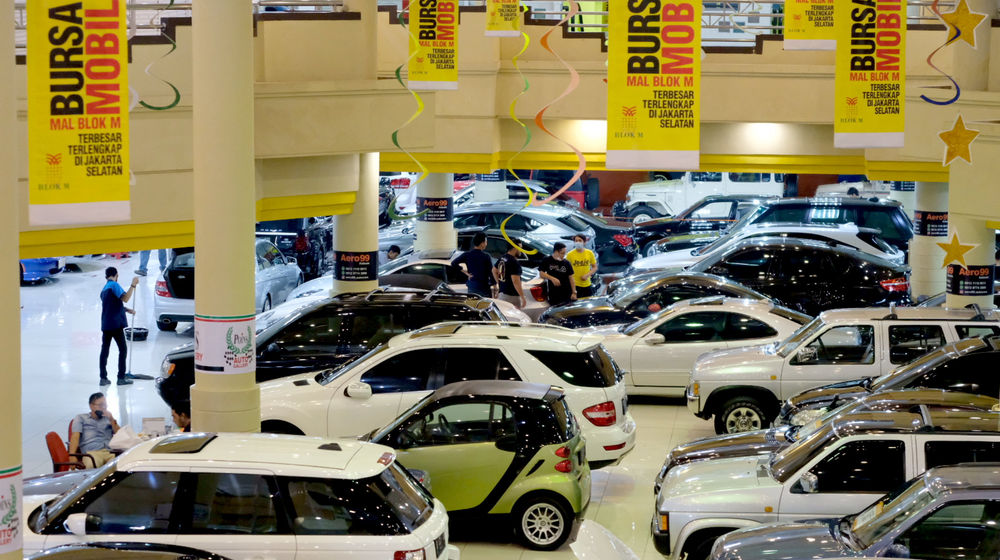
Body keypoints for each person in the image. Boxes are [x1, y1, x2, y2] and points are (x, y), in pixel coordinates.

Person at [100, 266, 138, 386]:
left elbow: (112, 305)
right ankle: (121, 378)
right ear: (116, 275)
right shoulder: (114, 285)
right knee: (123, 349)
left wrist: (126, 310)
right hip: (115, 324)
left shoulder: (104, 289)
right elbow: (125, 298)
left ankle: (103, 378)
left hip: (106, 324)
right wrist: (133, 285)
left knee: (105, 351)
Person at [69, 392, 121, 468]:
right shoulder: (81, 418)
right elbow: (75, 437)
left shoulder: (108, 419)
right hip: (92, 453)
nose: (103, 407)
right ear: (91, 406)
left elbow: (120, 435)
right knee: (92, 465)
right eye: (101, 405)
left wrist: (111, 419)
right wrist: (72, 455)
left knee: (121, 466)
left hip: (110, 452)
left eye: (105, 405)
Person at [451, 232, 496, 297]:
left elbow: (453, 263)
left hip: (472, 286)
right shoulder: (486, 256)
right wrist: (494, 285)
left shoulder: (467, 255)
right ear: (482, 243)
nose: (486, 244)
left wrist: (466, 273)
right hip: (483, 287)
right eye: (486, 242)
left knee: (472, 302)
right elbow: (490, 272)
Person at [539, 242, 576, 306]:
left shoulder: (566, 263)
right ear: (556, 252)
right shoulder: (547, 260)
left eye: (565, 253)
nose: (563, 255)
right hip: (553, 294)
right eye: (562, 253)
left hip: (566, 293)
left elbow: (571, 278)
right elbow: (541, 273)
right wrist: (552, 278)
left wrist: (574, 292)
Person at [493, 244, 526, 308]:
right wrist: (522, 297)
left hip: (502, 294)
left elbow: (494, 270)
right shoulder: (514, 262)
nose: (521, 250)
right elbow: (515, 281)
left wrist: (500, 283)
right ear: (515, 248)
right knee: (515, 314)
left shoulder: (503, 258)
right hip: (511, 296)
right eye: (520, 248)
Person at [568, 234, 598, 298]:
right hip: (575, 285)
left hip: (587, 284)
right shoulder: (570, 255)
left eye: (580, 240)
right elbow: (567, 271)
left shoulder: (589, 253)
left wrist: (587, 275)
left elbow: (594, 267)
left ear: (584, 242)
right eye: (576, 241)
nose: (578, 242)